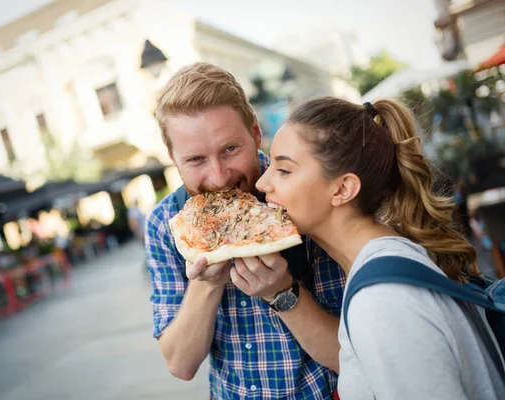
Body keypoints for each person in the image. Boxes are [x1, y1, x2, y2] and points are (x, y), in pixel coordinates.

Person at [256, 96, 505, 399]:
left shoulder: (382, 301)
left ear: (343, 188)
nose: (262, 183)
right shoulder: (384, 265)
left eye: (284, 170)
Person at [145, 62, 345, 399]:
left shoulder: (303, 193)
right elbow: (181, 364)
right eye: (195, 160)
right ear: (172, 157)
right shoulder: (167, 223)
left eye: (229, 150)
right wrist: (206, 285)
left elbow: (353, 354)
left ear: (255, 133)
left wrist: (284, 293)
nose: (220, 177)